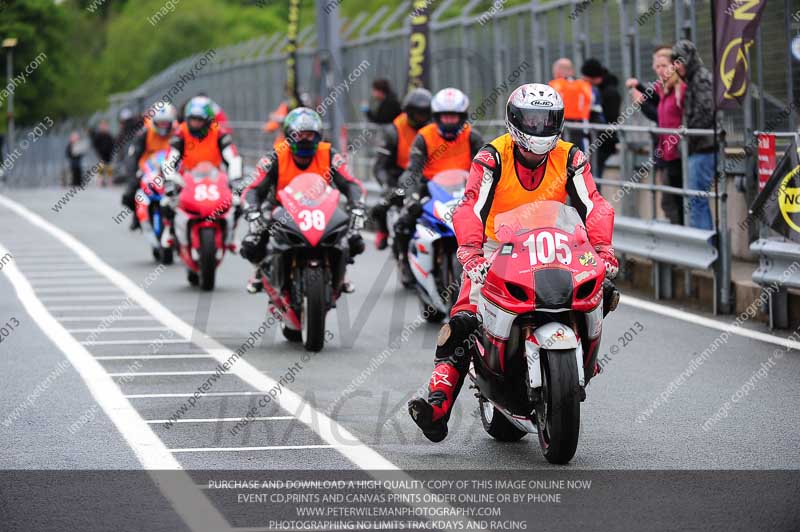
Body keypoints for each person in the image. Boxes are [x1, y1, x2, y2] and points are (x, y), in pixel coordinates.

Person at [407, 83, 619, 443]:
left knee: (605, 291)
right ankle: (437, 404)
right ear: (515, 120)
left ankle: (586, 361)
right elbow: (471, 206)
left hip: (559, 244)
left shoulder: (571, 157)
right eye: (532, 119)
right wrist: (472, 253)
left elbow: (594, 204)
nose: (539, 127)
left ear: (559, 121)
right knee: (464, 319)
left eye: (547, 119)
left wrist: (603, 249)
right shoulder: (491, 157)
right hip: (497, 247)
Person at [239, 107, 366, 294]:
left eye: (310, 135)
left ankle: (340, 271)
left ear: (319, 136)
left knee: (355, 239)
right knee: (252, 241)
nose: (305, 141)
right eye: (300, 136)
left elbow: (351, 184)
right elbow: (253, 188)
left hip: (322, 209)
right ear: (289, 136)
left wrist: (358, 207)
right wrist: (252, 211)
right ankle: (261, 266)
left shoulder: (330, 154)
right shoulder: (275, 156)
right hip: (281, 210)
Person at [393, 88, 484, 286]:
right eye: (445, 116)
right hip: (430, 189)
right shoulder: (423, 137)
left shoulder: (472, 136)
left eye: (454, 117)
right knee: (403, 222)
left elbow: (487, 166)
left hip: (467, 190)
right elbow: (413, 170)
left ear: (462, 117)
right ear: (436, 116)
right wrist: (413, 196)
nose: (449, 121)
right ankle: (405, 263)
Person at [162, 96, 244, 244]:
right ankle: (170, 229)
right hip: (187, 176)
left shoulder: (219, 132)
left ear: (208, 120)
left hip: (215, 177)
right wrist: (170, 179)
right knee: (167, 200)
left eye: (199, 120)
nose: (195, 124)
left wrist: (236, 179)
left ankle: (232, 234)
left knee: (238, 202)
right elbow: (170, 159)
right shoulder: (181, 132)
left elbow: (233, 158)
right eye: (192, 119)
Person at [626, 45, 685, 225]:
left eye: (664, 65)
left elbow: (662, 116)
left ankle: (682, 238)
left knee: (675, 199)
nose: (660, 70)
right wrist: (639, 87)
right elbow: (657, 104)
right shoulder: (664, 87)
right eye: (657, 65)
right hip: (666, 151)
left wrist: (641, 102)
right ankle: (679, 236)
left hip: (677, 151)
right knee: (669, 200)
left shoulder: (678, 88)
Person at [370, 88, 433, 250]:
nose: (422, 118)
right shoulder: (393, 132)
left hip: (426, 177)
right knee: (381, 206)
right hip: (398, 178)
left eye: (425, 114)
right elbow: (379, 167)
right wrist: (386, 184)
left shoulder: (433, 130)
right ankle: (383, 231)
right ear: (409, 112)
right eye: (418, 114)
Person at [671, 39, 716, 230]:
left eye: (679, 61)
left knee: (697, 200)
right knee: (696, 200)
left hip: (703, 148)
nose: (676, 66)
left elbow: (706, 113)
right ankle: (704, 249)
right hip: (699, 148)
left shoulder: (701, 78)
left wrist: (687, 135)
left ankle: (705, 250)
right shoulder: (694, 78)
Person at [121, 102, 177, 230]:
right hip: (149, 170)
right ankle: (137, 215)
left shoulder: (178, 131)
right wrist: (132, 177)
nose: (163, 127)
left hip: (173, 169)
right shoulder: (144, 133)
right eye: (160, 123)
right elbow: (132, 156)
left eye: (166, 123)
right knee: (130, 193)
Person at [581, 58, 621, 181]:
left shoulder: (609, 93)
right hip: (597, 140)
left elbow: (610, 120)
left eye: (586, 78)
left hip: (604, 143)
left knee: (592, 177)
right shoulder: (600, 90)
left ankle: (592, 199)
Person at [548, 58, 592, 146]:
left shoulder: (554, 85)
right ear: (571, 70)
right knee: (580, 151)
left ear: (558, 70)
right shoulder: (584, 85)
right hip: (581, 125)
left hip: (558, 124)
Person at [89, 120, 115, 187]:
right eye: (102, 126)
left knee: (109, 168)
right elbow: (95, 145)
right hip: (100, 155)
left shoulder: (109, 135)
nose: (104, 127)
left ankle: (110, 181)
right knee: (101, 168)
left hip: (108, 155)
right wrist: (98, 151)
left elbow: (113, 144)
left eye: (105, 126)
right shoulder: (98, 136)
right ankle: (100, 181)